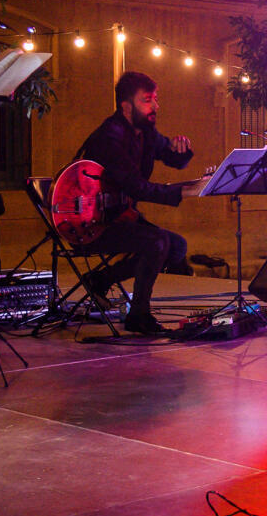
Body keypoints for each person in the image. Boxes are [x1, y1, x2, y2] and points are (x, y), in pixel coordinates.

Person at [73, 71, 201, 336]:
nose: (155, 106)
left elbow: (171, 157)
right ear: (126, 106)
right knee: (156, 241)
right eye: (147, 100)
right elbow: (136, 187)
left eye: (155, 99)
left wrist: (182, 151)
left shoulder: (146, 132)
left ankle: (100, 280)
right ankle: (139, 315)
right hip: (94, 222)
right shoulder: (109, 137)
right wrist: (185, 192)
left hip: (120, 214)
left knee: (176, 247)